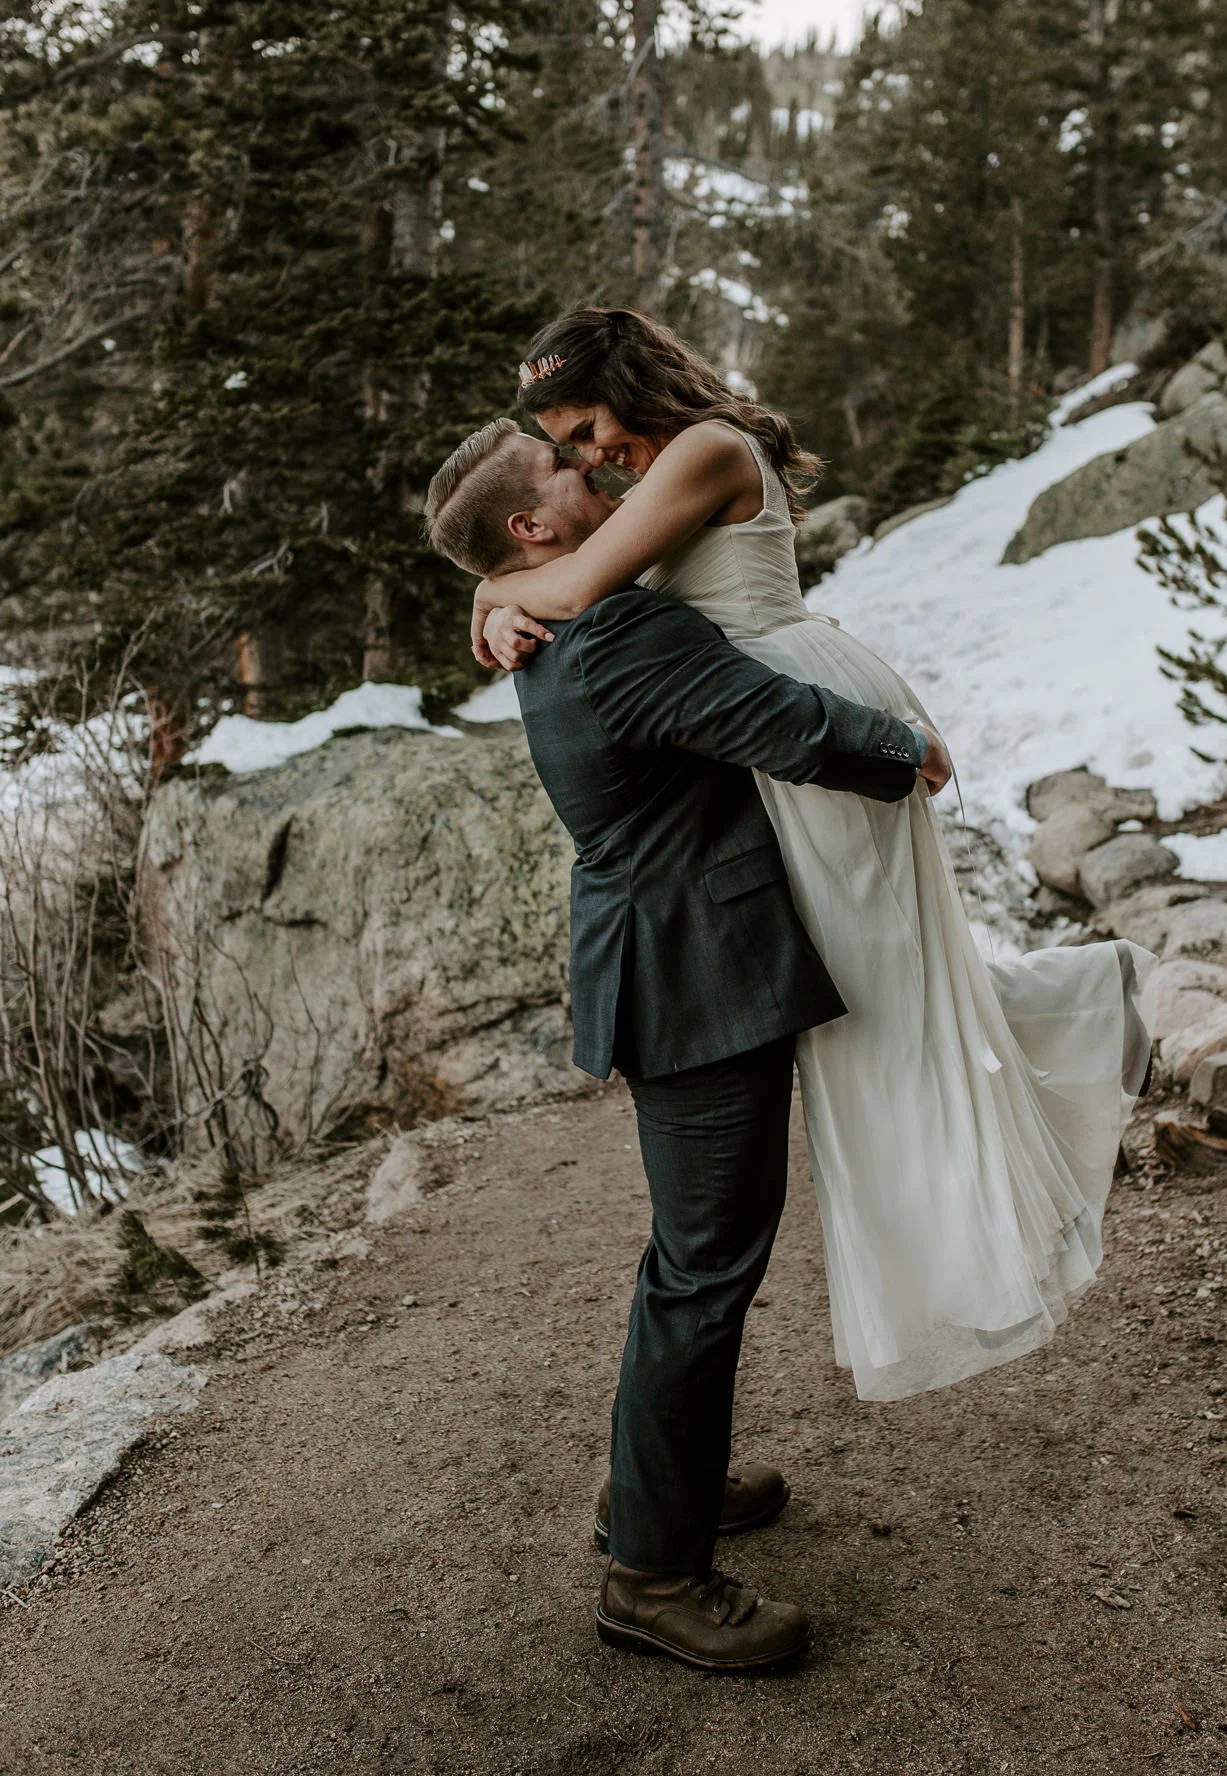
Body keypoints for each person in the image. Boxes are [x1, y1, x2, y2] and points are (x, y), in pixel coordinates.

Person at [448, 309, 1152, 1406]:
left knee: (879, 992)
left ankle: (1065, 1039)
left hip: (799, 717)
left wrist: (493, 593)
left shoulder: (703, 450)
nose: (588, 457)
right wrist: (494, 588)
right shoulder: (669, 462)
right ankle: (1074, 999)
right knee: (879, 983)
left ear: (629, 387)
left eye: (584, 429)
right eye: (567, 448)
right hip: (776, 717)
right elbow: (570, 562)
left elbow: (576, 585)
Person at [424, 418, 946, 1670]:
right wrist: (903, 748)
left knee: (693, 1258)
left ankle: (662, 1489)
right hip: (694, 975)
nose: (602, 474)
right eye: (569, 473)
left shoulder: (570, 606)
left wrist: (490, 591)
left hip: (668, 954)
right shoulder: (614, 628)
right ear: (531, 530)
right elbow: (773, 720)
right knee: (703, 1267)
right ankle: (650, 1573)